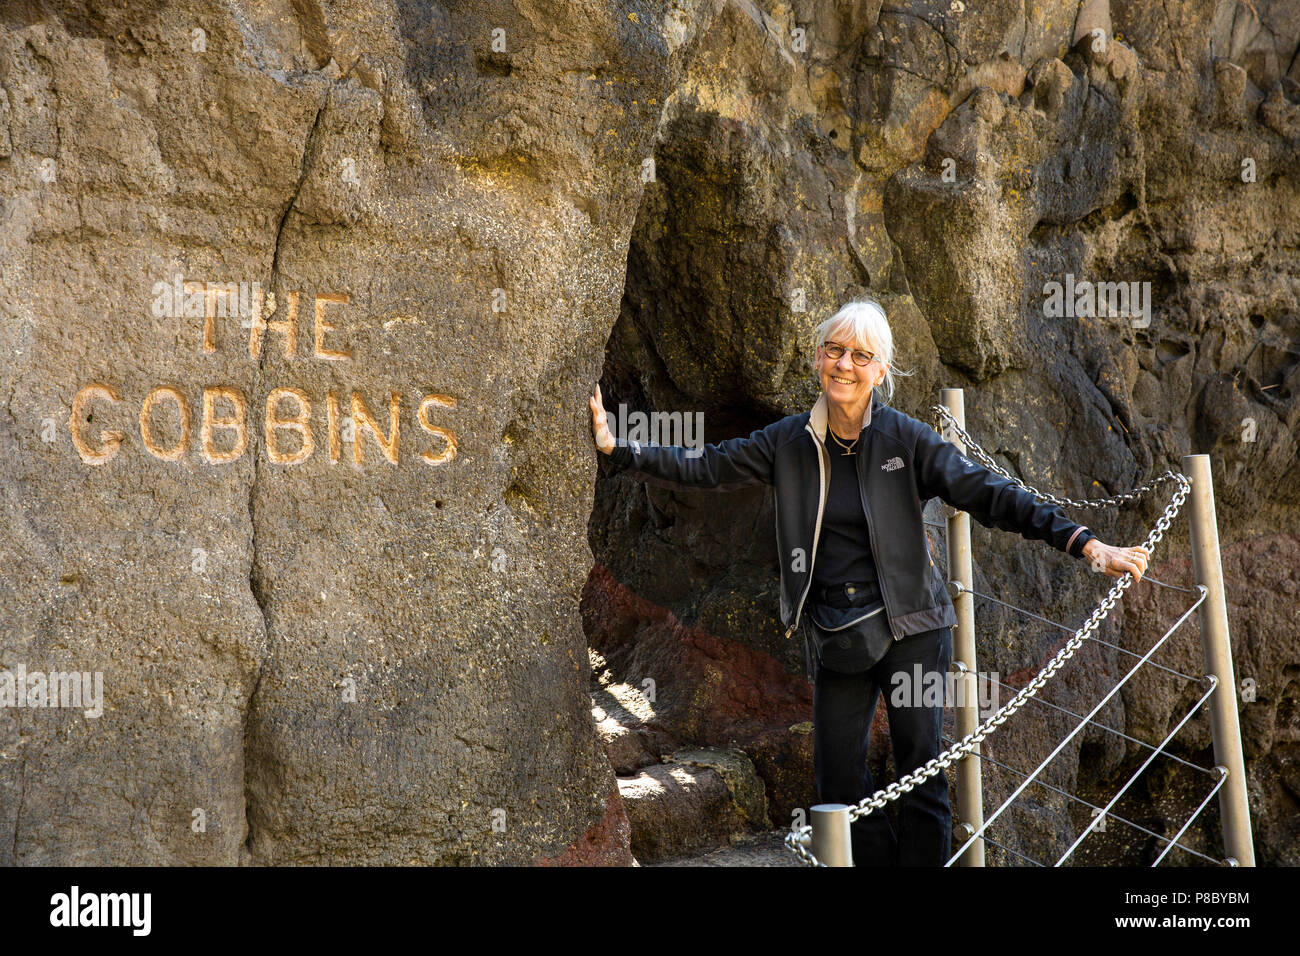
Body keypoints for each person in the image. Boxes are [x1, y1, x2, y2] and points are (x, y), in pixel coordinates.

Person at [588, 297, 1150, 866]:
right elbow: (706, 465)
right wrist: (619, 448)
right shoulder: (787, 443)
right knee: (837, 780)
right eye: (835, 350)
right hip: (839, 632)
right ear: (817, 359)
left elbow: (991, 494)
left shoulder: (906, 441)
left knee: (921, 769)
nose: (845, 365)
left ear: (881, 371)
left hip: (913, 627)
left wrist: (1086, 543)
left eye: (861, 355)